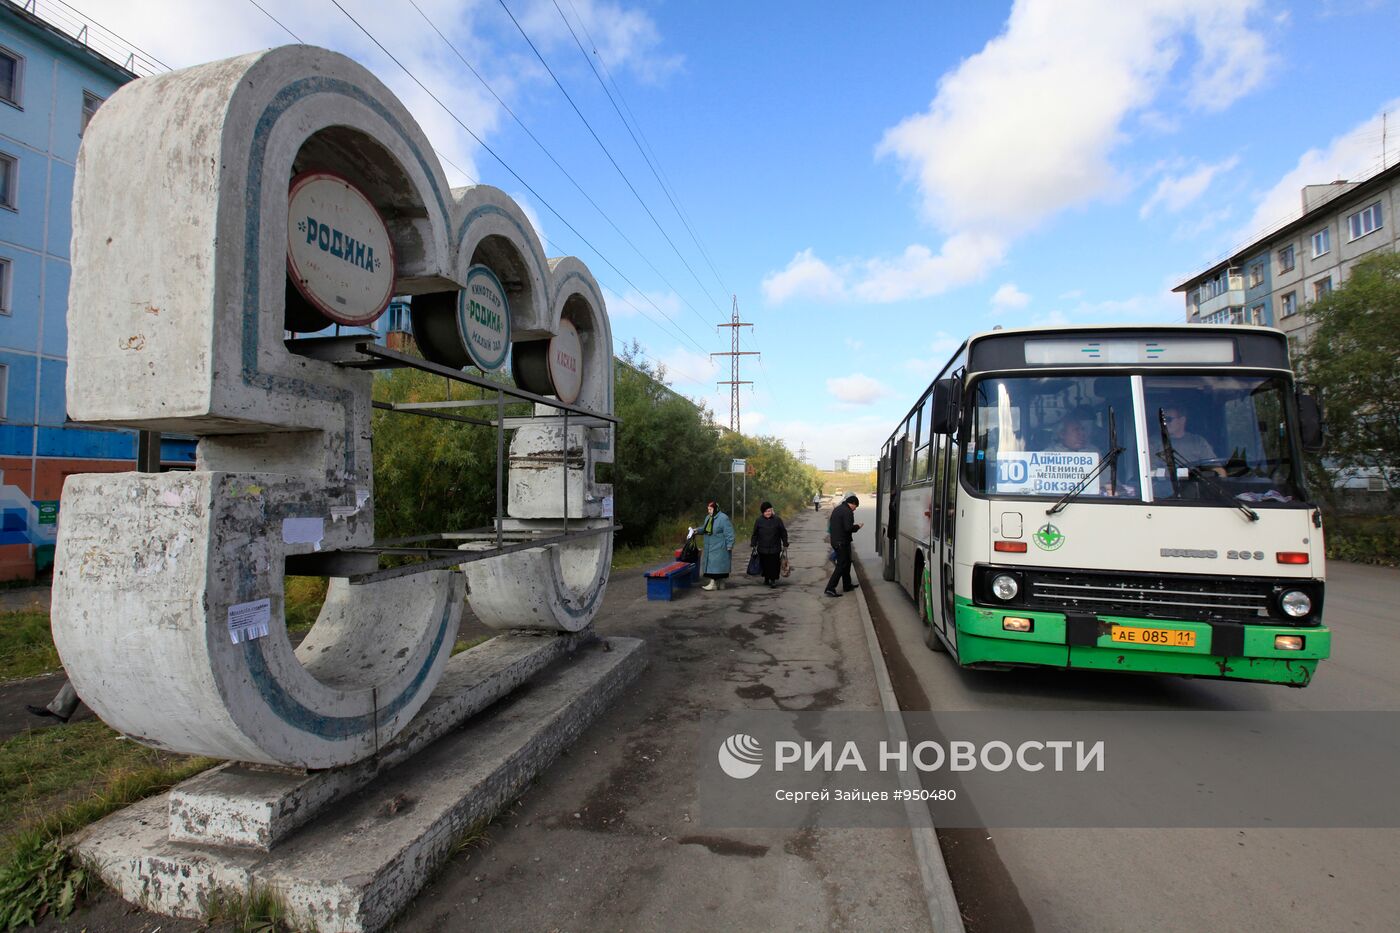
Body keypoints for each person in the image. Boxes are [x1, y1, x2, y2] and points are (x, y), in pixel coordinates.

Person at [1151, 405, 1224, 475]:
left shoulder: (1198, 442)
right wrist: (1169, 473)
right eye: (1162, 420)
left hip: (1197, 485)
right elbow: (1149, 471)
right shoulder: (1153, 442)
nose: (1165, 423)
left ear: (1182, 420)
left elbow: (1216, 469)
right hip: (1166, 486)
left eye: (1169, 419)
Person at [825, 494, 862, 597]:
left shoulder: (839, 509)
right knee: (841, 565)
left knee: (847, 563)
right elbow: (848, 528)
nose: (855, 510)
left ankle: (847, 585)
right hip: (842, 542)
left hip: (837, 541)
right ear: (853, 504)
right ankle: (830, 588)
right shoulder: (847, 512)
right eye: (856, 507)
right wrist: (857, 526)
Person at [750, 501, 789, 588]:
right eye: (766, 511)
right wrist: (753, 543)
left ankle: (773, 580)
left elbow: (783, 532)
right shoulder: (759, 521)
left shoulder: (777, 520)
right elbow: (755, 533)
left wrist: (785, 542)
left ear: (772, 511)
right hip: (762, 548)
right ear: (763, 512)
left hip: (775, 547)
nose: (768, 513)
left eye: (769, 511)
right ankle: (766, 578)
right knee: (765, 564)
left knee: (774, 564)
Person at [698, 500, 735, 590]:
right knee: (715, 565)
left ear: (715, 509)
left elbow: (729, 532)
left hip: (720, 547)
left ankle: (713, 584)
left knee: (716, 566)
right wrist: (696, 531)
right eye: (708, 509)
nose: (709, 511)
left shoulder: (723, 518)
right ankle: (720, 584)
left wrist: (729, 544)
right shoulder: (708, 518)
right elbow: (705, 528)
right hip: (710, 546)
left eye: (710, 509)